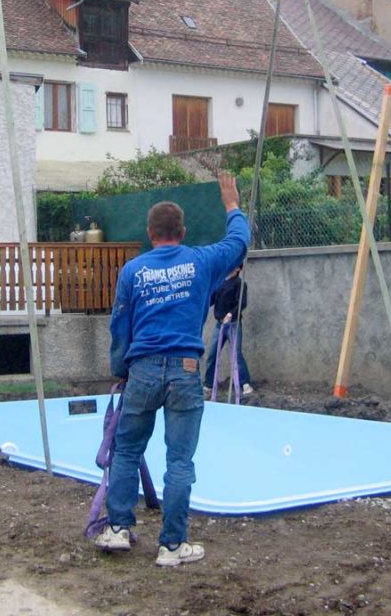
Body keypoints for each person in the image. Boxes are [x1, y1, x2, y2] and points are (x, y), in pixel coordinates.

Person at [95, 172, 249, 567]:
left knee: (126, 449)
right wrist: (231, 204)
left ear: (150, 233)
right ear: (183, 230)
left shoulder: (133, 272)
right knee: (179, 461)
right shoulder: (200, 261)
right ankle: (173, 546)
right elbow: (239, 242)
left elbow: (120, 324)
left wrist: (120, 370)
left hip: (142, 370)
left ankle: (118, 529)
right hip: (184, 369)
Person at [203, 263, 252, 398]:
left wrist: (231, 314)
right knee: (212, 353)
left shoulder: (240, 284)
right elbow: (211, 300)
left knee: (236, 354)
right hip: (219, 325)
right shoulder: (219, 283)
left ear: (238, 269)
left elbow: (242, 303)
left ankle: (245, 383)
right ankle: (209, 383)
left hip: (233, 324)